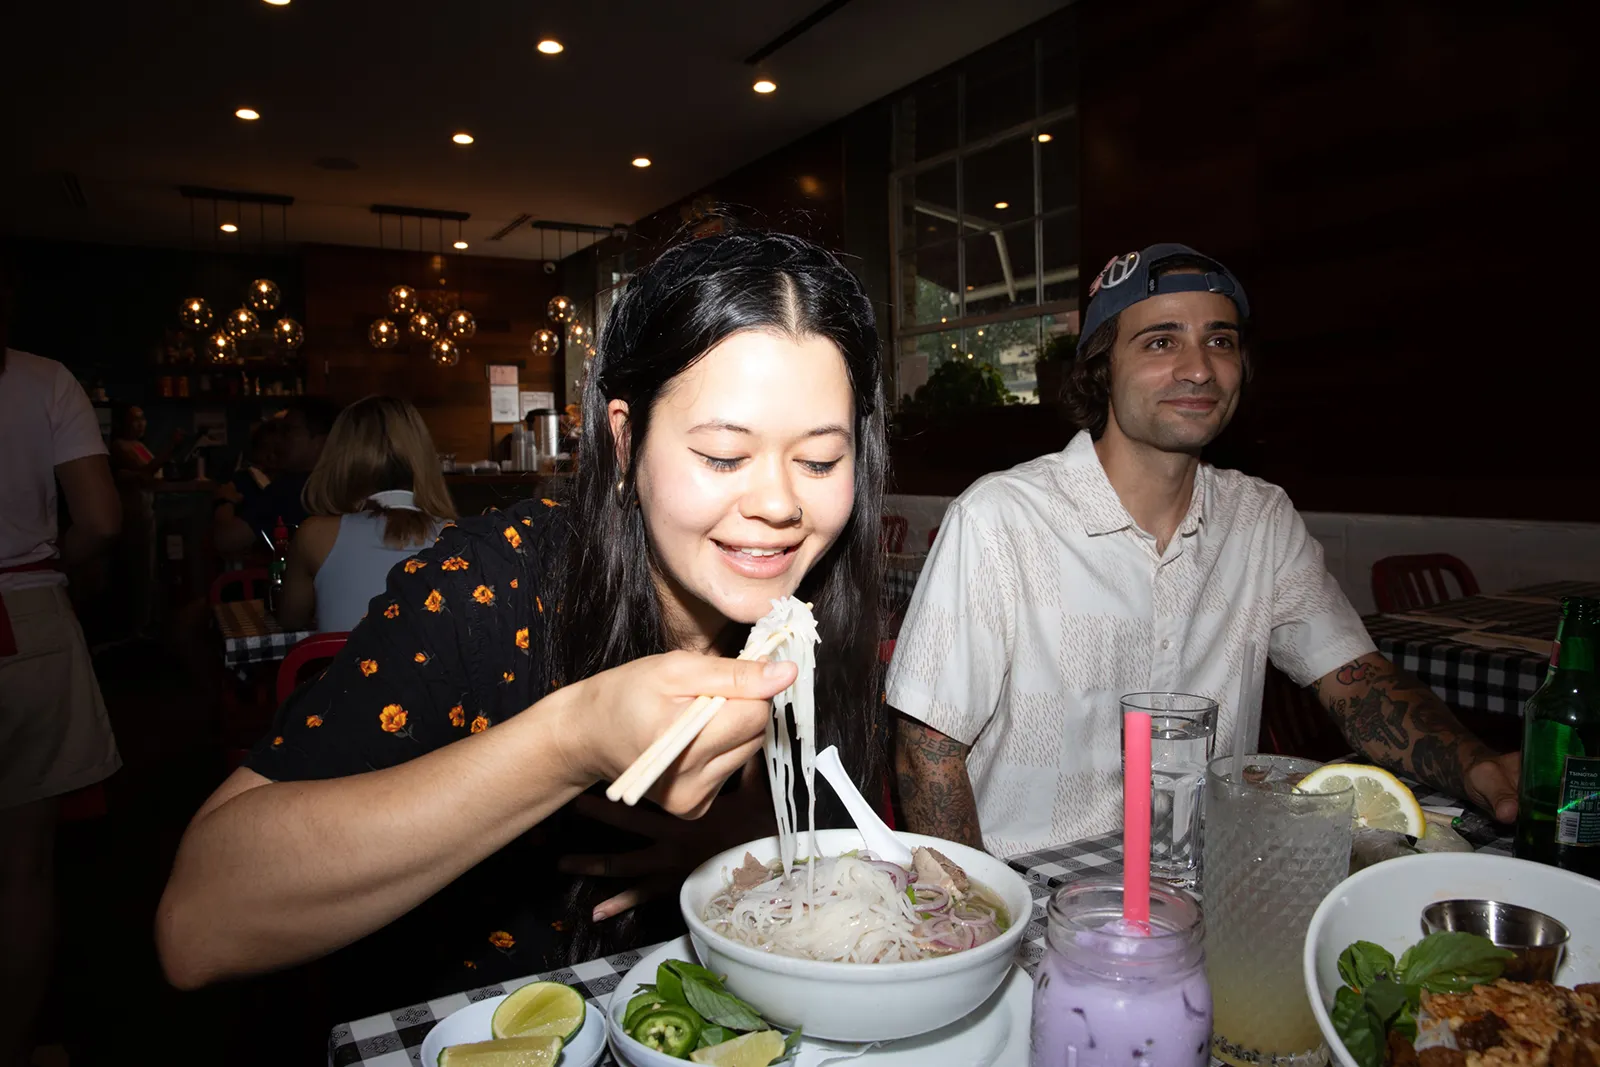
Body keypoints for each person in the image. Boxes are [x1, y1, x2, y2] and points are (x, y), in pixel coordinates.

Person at [156, 227, 888, 1018]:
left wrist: (725, 847)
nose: (780, 504)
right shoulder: (485, 586)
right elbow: (196, 927)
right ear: (623, 438)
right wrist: (570, 739)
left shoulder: (815, 610)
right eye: (721, 455)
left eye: (818, 461)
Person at [888, 242, 1520, 857]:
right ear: (1102, 367)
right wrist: (978, 923)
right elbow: (927, 751)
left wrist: (1476, 767)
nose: (1198, 368)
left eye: (1220, 341)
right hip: (1038, 889)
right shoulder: (1003, 517)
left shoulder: (1260, 518)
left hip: (1211, 877)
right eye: (1161, 342)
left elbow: (1355, 685)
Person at [0, 269, 123, 1067]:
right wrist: (57, 574)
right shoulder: (42, 381)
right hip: (22, 610)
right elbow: (102, 519)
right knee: (22, 866)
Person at [273, 396, 457, 632]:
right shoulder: (457, 538)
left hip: (346, 668)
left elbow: (289, 620)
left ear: (339, 458)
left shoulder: (314, 535)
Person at [211, 399, 339, 559]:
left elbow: (226, 539)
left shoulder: (289, 490)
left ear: (321, 441)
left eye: (288, 431)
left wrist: (224, 500)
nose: (278, 441)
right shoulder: (349, 483)